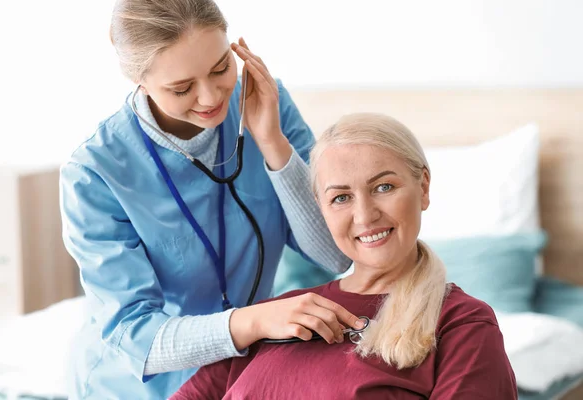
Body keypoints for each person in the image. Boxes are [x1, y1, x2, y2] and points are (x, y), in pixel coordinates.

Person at [59, 0, 363, 398]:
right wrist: (254, 321)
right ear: (138, 79)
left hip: (246, 374)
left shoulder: (263, 103)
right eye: (181, 88)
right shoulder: (95, 173)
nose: (210, 98)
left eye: (221, 68)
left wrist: (272, 142)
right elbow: (134, 335)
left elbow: (335, 255)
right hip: (135, 388)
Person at [172, 113, 518, 399]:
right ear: (321, 209)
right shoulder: (282, 312)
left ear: (423, 188)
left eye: (384, 187)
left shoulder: (461, 324)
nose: (365, 216)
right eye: (341, 198)